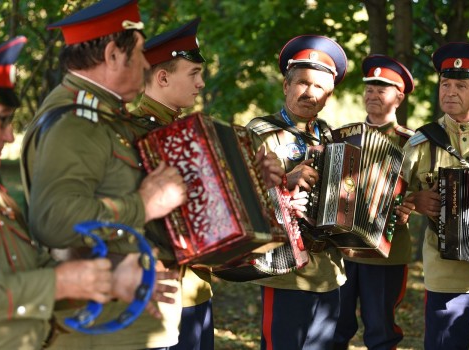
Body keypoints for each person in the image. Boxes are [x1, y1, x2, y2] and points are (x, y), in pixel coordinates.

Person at [0, 36, 154, 350]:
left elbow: (32, 269)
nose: (10, 136)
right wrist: (60, 283)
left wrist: (111, 280)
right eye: (2, 120)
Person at [19, 0, 187, 349]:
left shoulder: (107, 117)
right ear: (112, 54)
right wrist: (141, 205)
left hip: (130, 319)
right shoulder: (76, 123)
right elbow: (52, 220)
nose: (146, 64)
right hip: (106, 328)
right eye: (140, 53)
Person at [133, 18, 284, 349]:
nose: (201, 83)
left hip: (197, 291)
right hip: (158, 294)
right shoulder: (134, 134)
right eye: (194, 74)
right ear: (162, 77)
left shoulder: (190, 133)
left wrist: (255, 180)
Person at [246, 35, 348, 350]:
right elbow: (240, 196)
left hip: (329, 272)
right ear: (285, 86)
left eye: (319, 87)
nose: (310, 92)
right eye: (302, 83)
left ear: (329, 94)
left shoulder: (335, 138)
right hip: (284, 269)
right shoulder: (259, 132)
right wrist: (285, 180)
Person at [401, 42, 469, 349]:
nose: (449, 91)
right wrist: (415, 200)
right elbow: (386, 195)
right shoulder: (421, 142)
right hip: (445, 278)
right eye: (445, 84)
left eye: (460, 85)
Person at [333, 54, 416, 350]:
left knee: (381, 330)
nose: (372, 94)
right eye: (369, 88)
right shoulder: (342, 137)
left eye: (382, 89)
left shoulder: (412, 143)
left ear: (399, 96)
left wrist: (410, 206)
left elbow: (422, 192)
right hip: (342, 248)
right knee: (334, 329)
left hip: (386, 254)